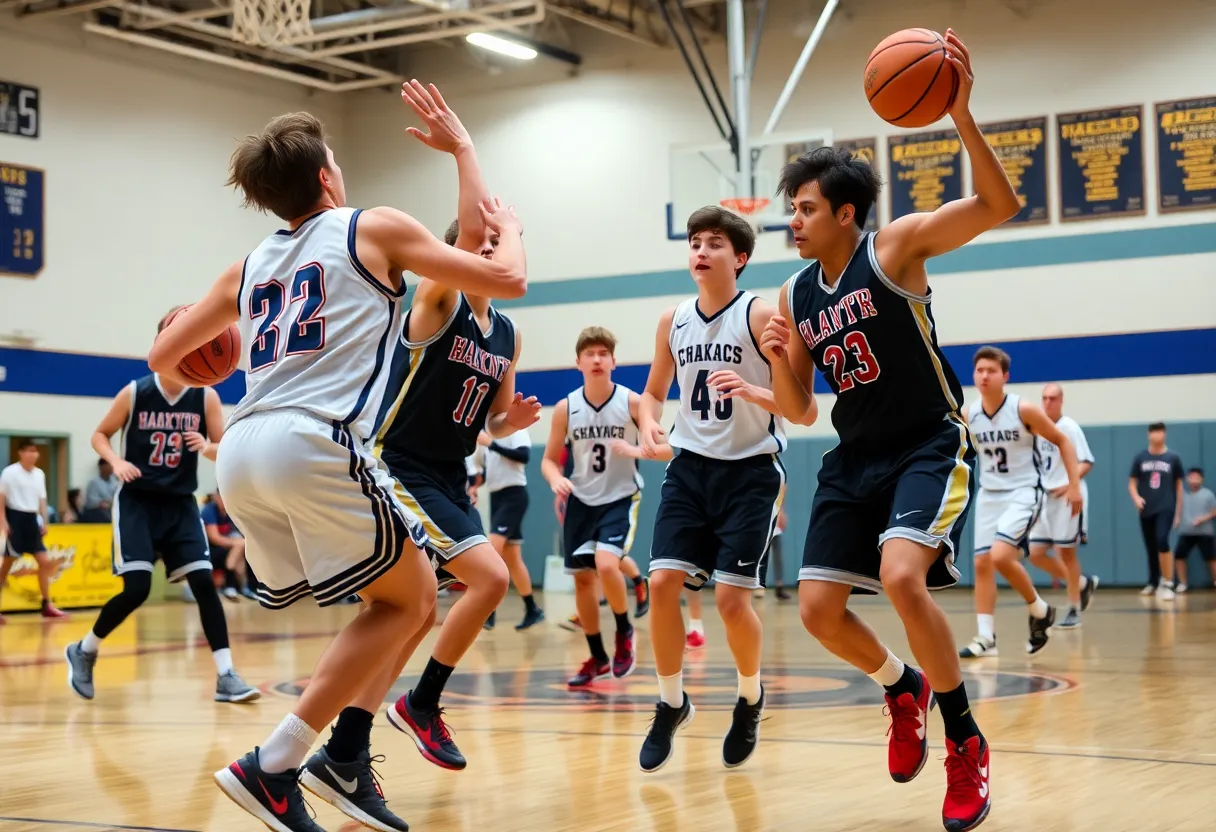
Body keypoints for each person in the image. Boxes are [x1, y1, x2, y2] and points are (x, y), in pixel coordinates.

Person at [146, 88, 527, 832]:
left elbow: (164, 355)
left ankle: (341, 756)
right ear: (327, 177)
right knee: (411, 600)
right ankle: (279, 763)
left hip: (242, 453)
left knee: (399, 598)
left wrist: (221, 356)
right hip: (312, 443)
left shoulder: (247, 267)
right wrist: (484, 188)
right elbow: (504, 276)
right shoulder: (373, 227)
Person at [763, 31, 1018, 830]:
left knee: (904, 577)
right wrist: (776, 357)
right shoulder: (793, 292)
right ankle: (899, 684)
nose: (794, 222)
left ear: (845, 212)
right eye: (790, 209)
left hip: (927, 444)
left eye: (805, 209)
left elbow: (998, 206)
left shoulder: (896, 248)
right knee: (815, 611)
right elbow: (801, 408)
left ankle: (965, 743)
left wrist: (962, 115)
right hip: (854, 455)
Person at [374, 83, 540, 774]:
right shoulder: (437, 300)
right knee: (488, 579)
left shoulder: (508, 333)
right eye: (485, 243)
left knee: (407, 610)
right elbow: (471, 233)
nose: (496, 250)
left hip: (446, 471)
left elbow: (491, 418)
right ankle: (421, 704)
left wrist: (511, 419)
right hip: (397, 461)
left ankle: (347, 741)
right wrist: (464, 152)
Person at [636, 206, 786, 773]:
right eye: (695, 241)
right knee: (663, 581)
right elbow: (654, 392)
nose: (701, 250)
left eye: (715, 243)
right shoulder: (671, 320)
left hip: (750, 471)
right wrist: (650, 422)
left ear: (740, 258)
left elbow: (798, 402)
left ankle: (749, 698)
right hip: (690, 466)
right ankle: (671, 701)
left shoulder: (761, 315)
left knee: (729, 599)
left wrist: (753, 390)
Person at [62, 338, 257, 704]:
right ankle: (84, 650)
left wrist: (208, 447)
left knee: (203, 583)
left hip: (181, 502)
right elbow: (99, 434)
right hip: (138, 501)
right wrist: (116, 462)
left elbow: (225, 450)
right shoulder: (135, 392)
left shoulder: (206, 397)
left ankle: (226, 675)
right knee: (137, 589)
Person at [542, 326, 656, 688]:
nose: (596, 359)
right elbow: (548, 460)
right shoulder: (565, 408)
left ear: (613, 362)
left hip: (620, 497)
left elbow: (668, 447)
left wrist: (638, 450)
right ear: (578, 363)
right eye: (589, 354)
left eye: (602, 353)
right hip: (581, 500)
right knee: (581, 583)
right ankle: (597, 656)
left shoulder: (633, 402)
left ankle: (624, 631)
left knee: (607, 564)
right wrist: (554, 478)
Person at [960, 348, 1082, 658]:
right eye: (979, 370)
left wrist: (1074, 485)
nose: (984, 375)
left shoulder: (1023, 409)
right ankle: (988, 637)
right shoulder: (969, 414)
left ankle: (1039, 609)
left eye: (991, 370)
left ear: (1005, 376)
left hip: (1024, 491)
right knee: (981, 563)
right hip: (990, 494)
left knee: (1001, 556)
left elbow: (1063, 441)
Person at [1026, 383, 1098, 628]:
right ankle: (1080, 583)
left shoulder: (1069, 427)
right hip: (1045, 498)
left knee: (1066, 553)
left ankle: (1074, 608)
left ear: (1061, 401)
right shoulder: (1037, 428)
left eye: (1053, 398)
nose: (1048, 402)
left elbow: (1087, 461)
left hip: (1068, 497)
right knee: (1035, 553)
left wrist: (1070, 484)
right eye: (1044, 398)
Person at [475, 427, 545, 630]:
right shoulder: (486, 435)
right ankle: (532, 609)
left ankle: (489, 612)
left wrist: (491, 444)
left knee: (491, 553)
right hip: (497, 497)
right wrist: (473, 486)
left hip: (513, 496)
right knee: (513, 558)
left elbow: (523, 456)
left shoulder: (514, 430)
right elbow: (488, 470)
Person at [0, 439, 67, 620]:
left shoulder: (39, 474)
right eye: (29, 451)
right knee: (6, 565)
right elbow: (1, 497)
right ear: (20, 453)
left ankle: (46, 604)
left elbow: (42, 500)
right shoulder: (10, 472)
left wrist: (43, 521)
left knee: (44, 562)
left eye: (35, 451)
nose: (33, 454)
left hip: (32, 520)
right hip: (15, 518)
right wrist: (3, 521)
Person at [1129, 422, 1185, 600]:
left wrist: (1178, 512)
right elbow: (1132, 482)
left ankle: (1168, 582)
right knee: (1151, 546)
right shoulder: (1141, 458)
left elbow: (1179, 487)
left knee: (1162, 540)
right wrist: (1136, 498)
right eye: (1154, 432)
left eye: (1161, 432)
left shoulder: (1172, 458)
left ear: (1165, 434)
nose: (1158, 435)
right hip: (1146, 508)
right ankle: (1153, 581)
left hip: (1166, 507)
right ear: (1149, 434)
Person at [202, 491, 256, 600]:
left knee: (241, 546)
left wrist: (238, 542)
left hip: (228, 549)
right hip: (209, 550)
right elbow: (215, 539)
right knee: (239, 545)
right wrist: (237, 542)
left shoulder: (231, 511)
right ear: (216, 497)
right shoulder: (209, 510)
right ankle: (240, 586)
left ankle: (235, 586)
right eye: (222, 497)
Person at [1175, 468, 1216, 591]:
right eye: (1191, 477)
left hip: (1205, 532)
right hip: (1186, 532)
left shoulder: (1208, 494)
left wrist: (1202, 519)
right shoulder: (1183, 495)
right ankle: (1183, 583)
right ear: (1187, 479)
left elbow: (1214, 511)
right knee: (1179, 556)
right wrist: (1177, 520)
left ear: (1201, 479)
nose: (1193, 480)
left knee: (1211, 558)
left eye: (1196, 477)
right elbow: (1178, 509)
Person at [82, 458, 119, 522]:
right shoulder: (94, 483)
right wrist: (107, 504)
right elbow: (92, 502)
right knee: (104, 515)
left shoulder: (115, 482)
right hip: (98, 512)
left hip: (112, 509)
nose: (112, 467)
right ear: (102, 467)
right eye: (109, 464)